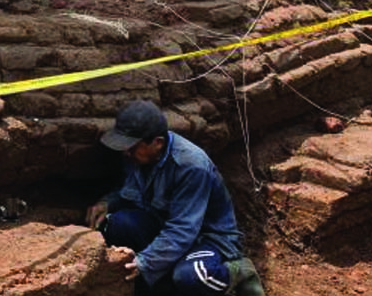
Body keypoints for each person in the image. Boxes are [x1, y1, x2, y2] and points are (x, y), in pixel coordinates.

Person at [86, 100, 264, 295]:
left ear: (158, 142)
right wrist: (108, 202)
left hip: (204, 238)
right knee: (116, 224)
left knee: (191, 276)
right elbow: (128, 188)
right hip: (163, 224)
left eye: (132, 147)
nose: (126, 152)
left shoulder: (191, 165)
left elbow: (183, 229)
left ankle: (238, 272)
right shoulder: (138, 155)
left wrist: (145, 261)